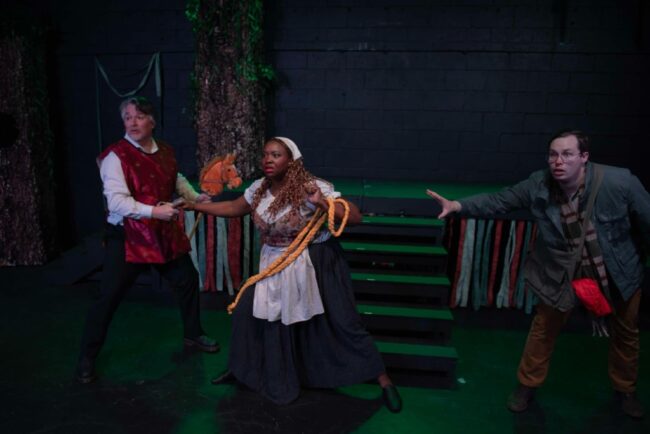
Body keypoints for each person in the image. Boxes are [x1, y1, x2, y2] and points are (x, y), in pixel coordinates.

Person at [427, 130, 649, 419]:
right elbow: (500, 201)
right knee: (543, 330)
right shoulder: (538, 184)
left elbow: (647, 220)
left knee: (626, 333)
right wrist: (457, 205)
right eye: (553, 154)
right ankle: (526, 386)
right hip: (560, 274)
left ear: (584, 157)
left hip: (617, 274)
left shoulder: (620, 182)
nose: (558, 161)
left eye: (567, 154)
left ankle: (626, 390)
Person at [186, 137, 402, 412]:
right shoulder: (259, 190)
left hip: (317, 262)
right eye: (265, 154)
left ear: (291, 161)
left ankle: (384, 381)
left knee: (343, 321)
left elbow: (354, 216)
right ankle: (241, 370)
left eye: (276, 155)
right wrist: (195, 206)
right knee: (246, 310)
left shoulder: (311, 187)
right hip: (276, 264)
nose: (268, 159)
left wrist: (322, 202)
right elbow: (233, 208)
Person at [75, 96, 219, 384]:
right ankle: (87, 357)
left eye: (139, 116)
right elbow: (116, 203)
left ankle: (193, 334)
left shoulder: (165, 150)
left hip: (161, 230)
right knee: (108, 298)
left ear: (152, 121)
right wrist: (154, 210)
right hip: (128, 237)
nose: (133, 122)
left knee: (187, 278)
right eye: (128, 117)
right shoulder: (115, 157)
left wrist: (193, 197)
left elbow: (174, 178)